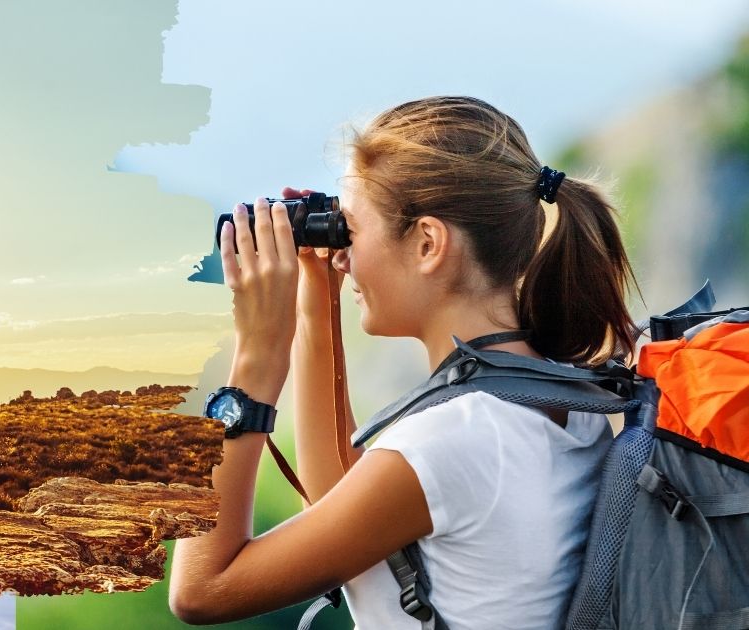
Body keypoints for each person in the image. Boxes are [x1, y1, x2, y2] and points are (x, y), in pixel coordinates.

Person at [167, 96, 635, 627]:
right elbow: (340, 507)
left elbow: (202, 591)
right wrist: (315, 303)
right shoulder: (556, 399)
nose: (341, 251)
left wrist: (256, 358)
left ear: (429, 243)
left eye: (351, 231)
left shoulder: (449, 441)